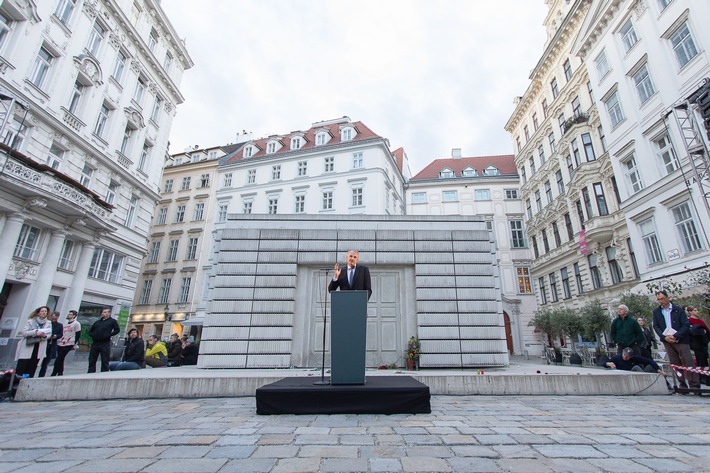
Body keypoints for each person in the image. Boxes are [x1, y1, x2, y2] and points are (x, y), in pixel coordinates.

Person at [652, 291, 699, 391]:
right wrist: (664, 337)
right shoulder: (656, 312)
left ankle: (694, 385)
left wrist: (676, 335)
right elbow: (656, 326)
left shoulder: (678, 310)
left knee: (688, 361)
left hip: (680, 339)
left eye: (662, 299)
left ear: (667, 298)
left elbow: (685, 325)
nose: (661, 301)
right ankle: (682, 384)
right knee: (675, 363)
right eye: (659, 299)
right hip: (667, 340)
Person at [15, 306, 51, 378]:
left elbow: (49, 334)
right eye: (42, 311)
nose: (44, 313)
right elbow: (24, 333)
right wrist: (35, 332)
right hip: (28, 345)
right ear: (38, 313)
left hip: (39, 346)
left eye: (45, 311)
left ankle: (27, 380)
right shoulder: (30, 321)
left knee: (32, 366)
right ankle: (17, 381)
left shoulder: (48, 323)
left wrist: (44, 336)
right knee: (22, 364)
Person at [87, 308, 120, 373]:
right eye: (102, 312)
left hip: (105, 343)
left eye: (105, 312)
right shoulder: (98, 322)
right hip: (95, 343)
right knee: (92, 359)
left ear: (109, 313)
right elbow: (91, 330)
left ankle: (104, 373)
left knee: (105, 360)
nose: (103, 313)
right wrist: (92, 335)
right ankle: (90, 372)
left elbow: (117, 330)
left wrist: (109, 335)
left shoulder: (112, 321)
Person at [51, 310, 81, 376]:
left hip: (69, 343)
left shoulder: (76, 324)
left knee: (59, 358)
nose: (68, 315)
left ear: (74, 316)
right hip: (61, 343)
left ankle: (54, 373)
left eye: (70, 314)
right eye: (68, 314)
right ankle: (60, 373)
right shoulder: (66, 324)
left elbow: (78, 334)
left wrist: (74, 343)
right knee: (60, 359)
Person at [686, 306, 709, 385]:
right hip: (696, 344)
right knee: (700, 360)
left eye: (697, 310)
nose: (697, 312)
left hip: (703, 343)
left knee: (705, 360)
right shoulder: (689, 321)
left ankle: (707, 378)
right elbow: (689, 333)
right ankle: (701, 378)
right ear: (690, 312)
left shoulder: (700, 321)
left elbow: (707, 331)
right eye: (695, 310)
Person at [38, 311, 63, 377]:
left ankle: (41, 376)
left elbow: (60, 334)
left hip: (51, 346)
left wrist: (56, 336)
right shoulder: (46, 324)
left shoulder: (59, 325)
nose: (54, 320)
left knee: (45, 363)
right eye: (53, 318)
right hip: (43, 344)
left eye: (55, 319)